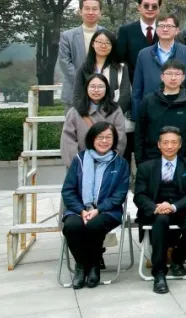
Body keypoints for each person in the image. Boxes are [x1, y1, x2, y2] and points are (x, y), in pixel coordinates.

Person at [61, 121, 130, 289]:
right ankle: (81, 266)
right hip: (79, 209)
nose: (104, 141)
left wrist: (98, 210)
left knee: (94, 226)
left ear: (114, 140)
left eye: (109, 137)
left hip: (108, 211)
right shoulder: (79, 159)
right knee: (71, 226)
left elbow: (119, 195)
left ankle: (93, 266)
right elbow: (68, 190)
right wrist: (81, 210)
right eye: (100, 137)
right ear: (92, 138)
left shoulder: (120, 163)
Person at [133, 126, 186, 294]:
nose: (169, 146)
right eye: (165, 142)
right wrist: (155, 207)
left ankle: (178, 259)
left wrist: (173, 206)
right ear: (158, 144)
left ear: (180, 144)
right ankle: (159, 272)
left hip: (183, 208)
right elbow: (139, 195)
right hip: (157, 210)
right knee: (160, 221)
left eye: (173, 142)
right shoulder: (146, 167)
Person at [131, 14, 186, 123]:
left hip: (179, 109)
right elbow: (137, 88)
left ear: (177, 30)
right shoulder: (144, 54)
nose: (165, 29)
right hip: (151, 110)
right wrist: (136, 115)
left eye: (169, 26)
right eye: (161, 26)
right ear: (156, 29)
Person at [134, 59, 186, 164]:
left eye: (177, 74)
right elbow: (139, 133)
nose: (173, 78)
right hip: (151, 158)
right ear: (162, 76)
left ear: (183, 77)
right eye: (169, 73)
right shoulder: (148, 101)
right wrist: (140, 161)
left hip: (182, 159)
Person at [61, 74, 127, 166]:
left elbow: (120, 138)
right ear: (86, 88)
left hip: (108, 163)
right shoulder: (75, 111)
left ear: (106, 89)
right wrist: (77, 163)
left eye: (100, 87)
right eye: (92, 86)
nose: (96, 90)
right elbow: (68, 140)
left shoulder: (115, 110)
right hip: (82, 163)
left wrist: (111, 160)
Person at [59, 0, 104, 104]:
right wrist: (84, 83)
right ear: (80, 11)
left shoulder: (108, 35)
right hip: (74, 93)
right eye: (87, 9)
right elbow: (65, 62)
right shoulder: (67, 36)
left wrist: (99, 84)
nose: (91, 12)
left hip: (102, 93)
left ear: (100, 12)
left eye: (94, 9)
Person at [71, 29, 130, 110]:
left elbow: (125, 96)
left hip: (114, 114)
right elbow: (77, 96)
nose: (103, 46)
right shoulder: (84, 68)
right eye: (100, 42)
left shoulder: (121, 68)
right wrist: (85, 114)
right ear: (93, 44)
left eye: (108, 43)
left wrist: (114, 114)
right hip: (88, 115)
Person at [116, 0, 161, 83]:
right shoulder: (126, 31)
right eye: (146, 5)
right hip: (133, 83)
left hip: (160, 84)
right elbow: (119, 59)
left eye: (154, 6)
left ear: (159, 9)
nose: (150, 9)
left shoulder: (165, 31)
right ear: (139, 7)